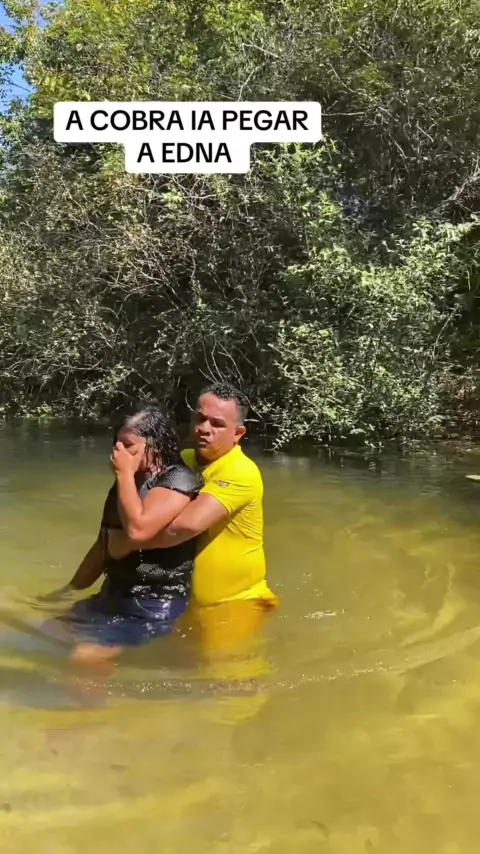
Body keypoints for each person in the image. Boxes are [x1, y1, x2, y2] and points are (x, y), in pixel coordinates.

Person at [112, 383, 278, 663]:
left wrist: (123, 544)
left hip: (233, 604)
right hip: (183, 603)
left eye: (217, 424)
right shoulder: (184, 462)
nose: (204, 428)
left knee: (228, 683)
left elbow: (181, 528)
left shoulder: (241, 472)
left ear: (238, 434)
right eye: (200, 418)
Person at [43, 406, 203, 668]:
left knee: (85, 659)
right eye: (117, 445)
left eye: (128, 445)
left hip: (153, 603)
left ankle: (98, 694)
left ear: (155, 445)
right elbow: (104, 544)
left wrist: (125, 474)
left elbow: (138, 531)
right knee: (44, 634)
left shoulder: (178, 478)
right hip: (112, 595)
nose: (118, 453)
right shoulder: (127, 482)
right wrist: (68, 590)